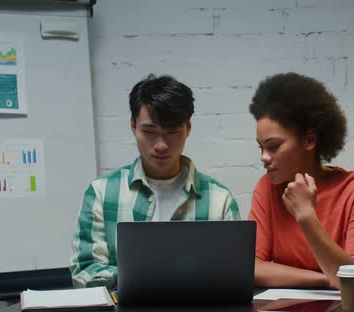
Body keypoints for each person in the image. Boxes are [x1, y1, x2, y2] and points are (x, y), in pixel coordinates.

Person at [70, 74, 241, 288]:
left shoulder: (219, 199)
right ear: (133, 126)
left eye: (171, 132)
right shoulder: (102, 193)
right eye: (149, 131)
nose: (160, 145)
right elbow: (85, 270)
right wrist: (156, 279)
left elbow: (234, 275)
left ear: (188, 128)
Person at [248, 72, 354, 295]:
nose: (264, 157)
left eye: (273, 147)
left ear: (309, 140)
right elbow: (252, 267)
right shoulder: (267, 187)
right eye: (260, 147)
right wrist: (325, 279)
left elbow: (351, 282)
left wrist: (306, 215)